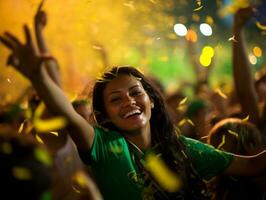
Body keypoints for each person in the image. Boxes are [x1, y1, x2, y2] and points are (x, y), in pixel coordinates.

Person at [1, 13, 266, 200]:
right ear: (104, 114)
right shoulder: (105, 146)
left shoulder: (183, 148)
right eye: (115, 99)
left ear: (150, 99)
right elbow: (69, 115)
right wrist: (39, 77)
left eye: (135, 93)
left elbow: (254, 166)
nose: (128, 101)